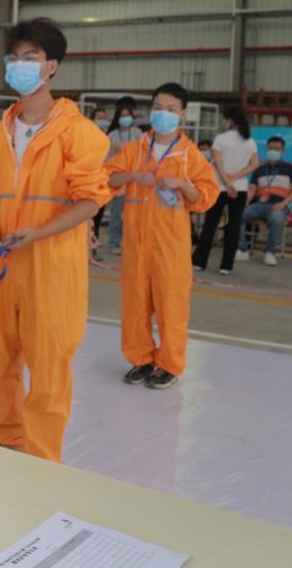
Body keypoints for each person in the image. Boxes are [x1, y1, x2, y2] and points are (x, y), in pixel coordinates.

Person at [0, 18, 111, 461]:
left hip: (51, 269)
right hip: (1, 267)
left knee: (49, 368)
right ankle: (7, 442)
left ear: (51, 66)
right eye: (13, 58)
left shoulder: (79, 133)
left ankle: (42, 459)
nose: (19, 65)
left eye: (30, 57)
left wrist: (38, 233)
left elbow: (90, 202)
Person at [106, 82, 219, 390]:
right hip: (136, 242)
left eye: (170, 109)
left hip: (170, 244)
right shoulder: (134, 150)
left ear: (182, 114)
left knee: (171, 304)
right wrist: (132, 175)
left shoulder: (189, 155)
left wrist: (182, 184)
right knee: (135, 303)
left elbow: (206, 196)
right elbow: (107, 178)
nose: (163, 114)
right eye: (158, 108)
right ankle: (141, 358)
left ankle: (169, 364)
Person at [192, 107, 259, 274]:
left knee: (210, 224)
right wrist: (236, 176)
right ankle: (226, 266)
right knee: (234, 227)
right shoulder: (250, 141)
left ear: (229, 120)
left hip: (219, 187)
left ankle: (199, 262)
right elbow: (255, 164)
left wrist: (227, 183)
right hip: (240, 188)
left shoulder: (220, 139)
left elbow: (218, 162)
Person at [235, 136, 292, 267]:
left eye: (277, 149)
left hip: (277, 206)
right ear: (266, 149)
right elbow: (252, 189)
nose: (273, 151)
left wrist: (283, 204)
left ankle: (269, 253)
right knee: (236, 214)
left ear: (283, 151)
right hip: (259, 205)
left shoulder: (290, 169)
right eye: (270, 148)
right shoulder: (259, 169)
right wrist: (245, 202)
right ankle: (242, 249)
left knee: (277, 219)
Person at [105, 98, 144, 255]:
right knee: (116, 214)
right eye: (123, 115)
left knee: (134, 215)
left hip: (135, 179)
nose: (125, 118)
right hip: (118, 178)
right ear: (118, 117)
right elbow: (107, 157)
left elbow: (143, 152)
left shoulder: (137, 133)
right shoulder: (112, 135)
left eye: (128, 115)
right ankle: (114, 242)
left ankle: (131, 242)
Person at [89, 108, 111, 261]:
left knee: (97, 219)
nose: (102, 121)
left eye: (104, 118)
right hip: (88, 184)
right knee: (86, 218)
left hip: (102, 184)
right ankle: (86, 248)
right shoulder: (87, 136)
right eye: (99, 118)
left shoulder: (107, 137)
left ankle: (93, 248)